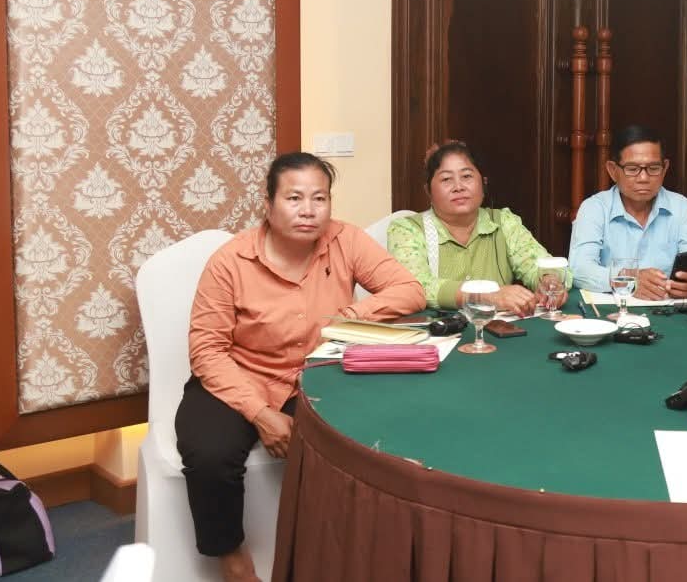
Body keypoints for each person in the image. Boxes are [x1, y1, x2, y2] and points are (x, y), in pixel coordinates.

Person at [177, 152, 425, 582]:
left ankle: (347, 559)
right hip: (238, 375)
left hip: (317, 374)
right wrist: (261, 413)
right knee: (210, 455)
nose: (308, 210)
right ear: (268, 204)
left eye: (319, 198)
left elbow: (409, 290)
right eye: (294, 198)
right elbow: (207, 351)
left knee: (366, 444)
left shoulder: (346, 240)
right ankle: (235, 564)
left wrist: (351, 315)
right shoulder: (230, 261)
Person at [388, 141, 566, 316]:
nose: (458, 187)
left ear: (483, 183)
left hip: (499, 329)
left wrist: (549, 281)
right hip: (439, 331)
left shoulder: (504, 222)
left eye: (466, 176)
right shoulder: (406, 229)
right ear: (428, 190)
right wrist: (485, 296)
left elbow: (537, 263)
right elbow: (416, 286)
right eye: (446, 179)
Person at [568, 125, 687, 299]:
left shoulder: (680, 207)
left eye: (653, 168)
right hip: (614, 310)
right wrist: (627, 279)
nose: (643, 178)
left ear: (665, 168)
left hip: (667, 308)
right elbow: (579, 269)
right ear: (613, 170)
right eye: (632, 169)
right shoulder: (594, 208)